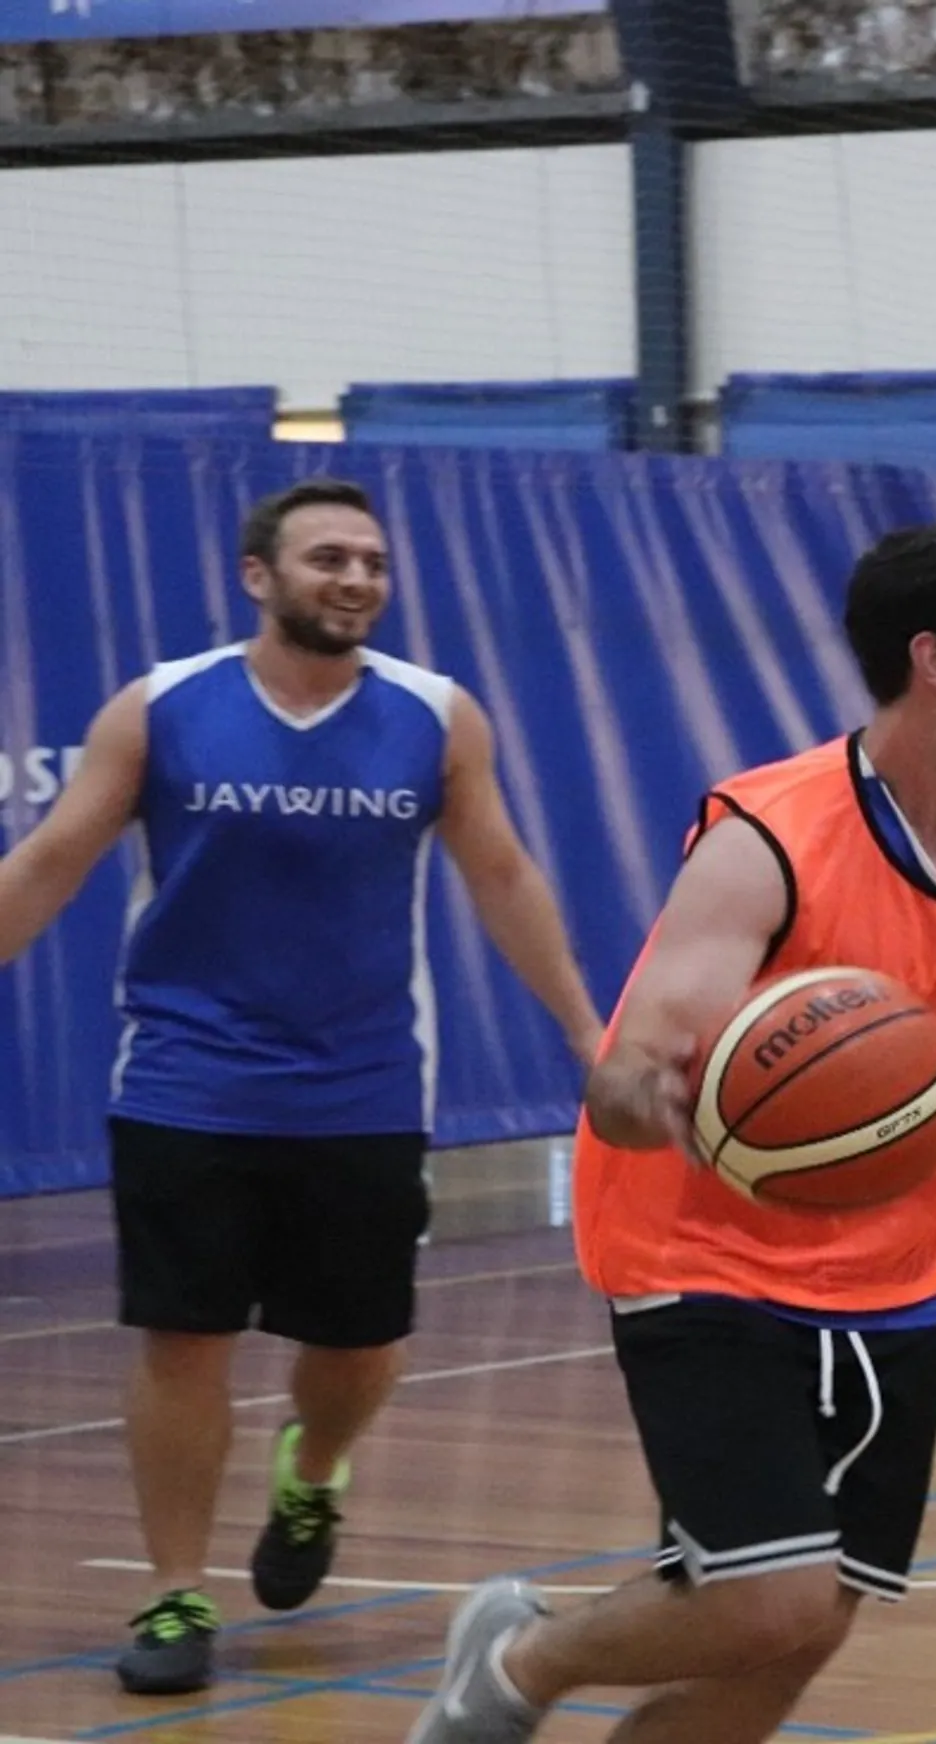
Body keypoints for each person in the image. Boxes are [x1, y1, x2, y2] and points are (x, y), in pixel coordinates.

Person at [405, 516, 936, 1744]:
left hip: (909, 1268)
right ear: (934, 660)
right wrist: (643, 1090)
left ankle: (526, 1664)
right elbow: (631, 1076)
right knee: (765, 1596)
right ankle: (521, 1662)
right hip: (703, 1255)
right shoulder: (768, 838)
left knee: (803, 1633)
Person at [0, 478, 605, 1697]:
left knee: (360, 1347)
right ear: (258, 577)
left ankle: (313, 1470)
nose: (356, 579)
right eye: (328, 557)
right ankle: (175, 1593)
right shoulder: (164, 708)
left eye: (373, 562)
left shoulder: (434, 717)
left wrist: (591, 1036)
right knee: (185, 1342)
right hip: (186, 1079)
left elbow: (500, 874)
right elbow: (53, 859)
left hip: (364, 1089)